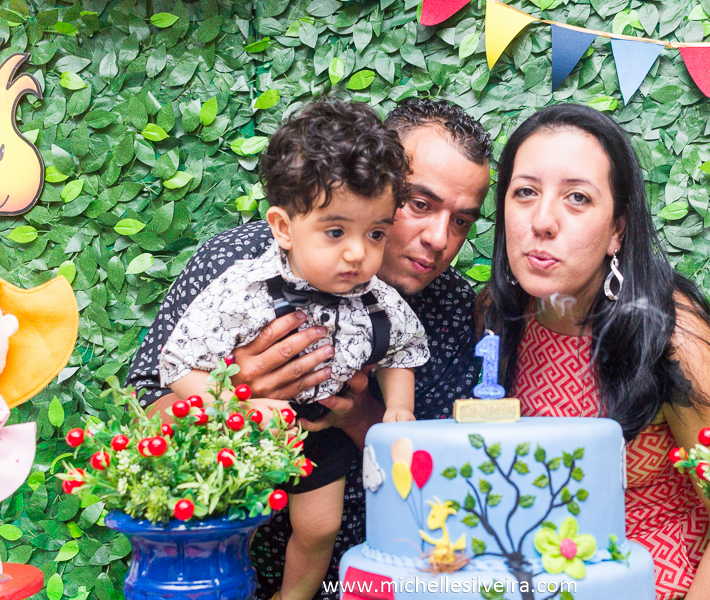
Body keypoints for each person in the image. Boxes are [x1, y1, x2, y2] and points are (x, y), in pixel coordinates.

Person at [125, 98, 492, 600]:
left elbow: (446, 482)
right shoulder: (239, 265)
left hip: (384, 578)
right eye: (421, 204)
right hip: (227, 570)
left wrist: (358, 411)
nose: (438, 238)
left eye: (462, 221)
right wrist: (232, 397)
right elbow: (140, 415)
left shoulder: (450, 305)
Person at [481, 104, 710, 600]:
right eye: (525, 192)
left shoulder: (670, 333)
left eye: (577, 198)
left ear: (617, 229)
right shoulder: (495, 315)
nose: (543, 221)